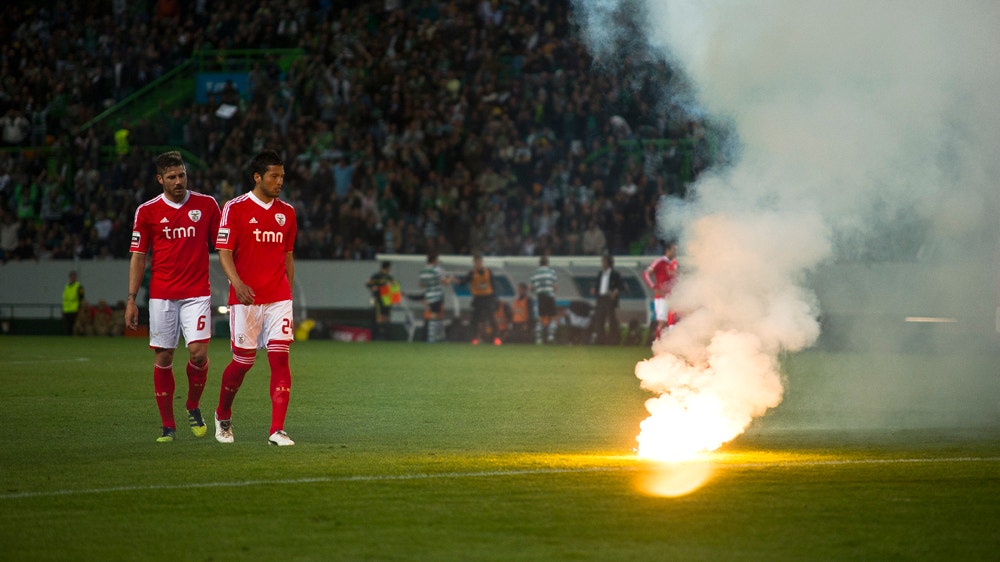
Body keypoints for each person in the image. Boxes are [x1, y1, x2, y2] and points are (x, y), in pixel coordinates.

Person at [126, 150, 221, 443]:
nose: (178, 181)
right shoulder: (147, 211)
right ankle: (168, 425)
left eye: (182, 175)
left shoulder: (206, 205)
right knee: (164, 356)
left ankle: (192, 404)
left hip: (197, 294)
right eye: (171, 177)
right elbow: (139, 256)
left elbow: (224, 247)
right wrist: (131, 299)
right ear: (160, 179)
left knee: (198, 353)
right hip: (162, 295)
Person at [213, 149, 298, 446]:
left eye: (282, 176)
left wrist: (288, 289)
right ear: (257, 177)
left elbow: (288, 255)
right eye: (274, 176)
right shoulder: (234, 208)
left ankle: (277, 430)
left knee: (280, 360)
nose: (279, 182)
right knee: (243, 362)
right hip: (246, 298)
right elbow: (223, 251)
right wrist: (236, 283)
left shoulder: (287, 212)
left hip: (278, 298)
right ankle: (223, 414)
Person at [642, 241, 679, 342]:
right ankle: (658, 347)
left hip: (672, 297)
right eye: (674, 250)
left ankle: (670, 346)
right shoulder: (660, 261)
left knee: (672, 322)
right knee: (662, 323)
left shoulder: (674, 263)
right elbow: (646, 274)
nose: (675, 252)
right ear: (667, 251)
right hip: (661, 297)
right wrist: (654, 287)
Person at [463, 253, 501, 345]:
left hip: (488, 298)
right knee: (475, 319)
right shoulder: (472, 273)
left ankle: (496, 338)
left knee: (491, 318)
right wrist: (456, 280)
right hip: (478, 298)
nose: (478, 263)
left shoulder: (488, 272)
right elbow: (464, 281)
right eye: (476, 262)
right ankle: (475, 338)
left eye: (480, 261)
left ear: (482, 262)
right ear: (474, 263)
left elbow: (493, 285)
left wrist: (494, 297)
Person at [418, 251, 453, 343]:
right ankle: (432, 338)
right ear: (434, 260)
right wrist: (451, 278)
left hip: (428, 295)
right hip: (437, 296)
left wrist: (430, 283)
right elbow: (446, 282)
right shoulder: (437, 269)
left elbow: (421, 284)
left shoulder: (423, 271)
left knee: (435, 315)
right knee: (435, 315)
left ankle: (436, 337)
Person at [589, 254, 624, 345]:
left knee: (612, 320)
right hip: (600, 298)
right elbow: (597, 284)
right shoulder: (601, 273)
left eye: (604, 261)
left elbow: (621, 286)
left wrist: (614, 292)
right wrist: (594, 289)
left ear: (609, 263)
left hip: (609, 298)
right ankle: (601, 339)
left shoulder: (615, 274)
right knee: (599, 319)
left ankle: (613, 340)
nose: (602, 263)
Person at [365, 261, 398, 340]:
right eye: (389, 268)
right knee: (379, 316)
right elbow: (367, 283)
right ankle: (378, 335)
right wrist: (372, 287)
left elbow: (395, 288)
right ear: (387, 268)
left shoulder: (390, 277)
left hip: (387, 299)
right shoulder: (376, 276)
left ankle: (386, 335)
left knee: (386, 316)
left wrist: (394, 296)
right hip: (378, 299)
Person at [529, 255, 558, 344]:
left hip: (540, 297)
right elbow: (555, 287)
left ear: (539, 263)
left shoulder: (535, 273)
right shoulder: (552, 272)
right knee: (552, 317)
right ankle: (550, 336)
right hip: (550, 296)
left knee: (540, 318)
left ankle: (538, 338)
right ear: (547, 263)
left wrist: (537, 289)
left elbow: (530, 287)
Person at [62, 270, 85, 335]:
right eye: (71, 276)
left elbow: (81, 298)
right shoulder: (66, 286)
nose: (72, 277)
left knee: (76, 329)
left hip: (75, 310)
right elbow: (65, 299)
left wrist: (80, 310)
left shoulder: (79, 286)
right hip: (66, 310)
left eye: (74, 276)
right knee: (67, 329)